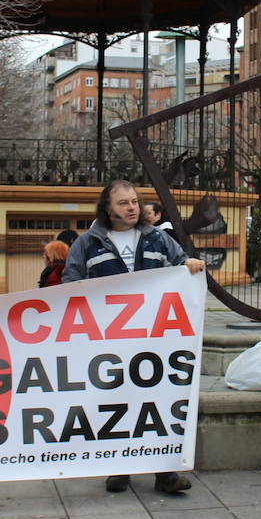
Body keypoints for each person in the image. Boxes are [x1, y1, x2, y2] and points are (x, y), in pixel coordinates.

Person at [62, 180, 204, 494]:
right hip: (108, 344)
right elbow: (70, 285)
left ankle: (165, 472)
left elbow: (180, 264)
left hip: (156, 340)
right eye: (123, 203)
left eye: (135, 202)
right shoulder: (88, 243)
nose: (131, 208)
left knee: (158, 403)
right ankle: (117, 468)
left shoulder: (157, 238)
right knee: (114, 405)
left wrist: (189, 266)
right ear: (107, 208)